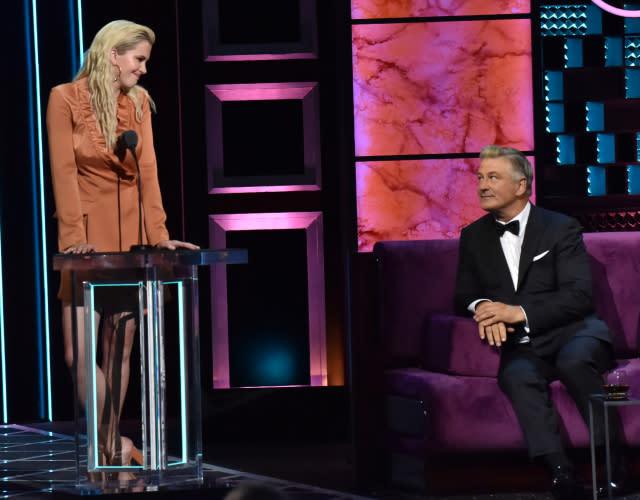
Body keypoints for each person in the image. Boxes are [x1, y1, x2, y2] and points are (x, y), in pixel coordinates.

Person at [46, 20, 198, 474]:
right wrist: (73, 239)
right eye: (139, 59)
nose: (144, 69)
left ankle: (109, 450)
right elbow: (63, 174)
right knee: (79, 354)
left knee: (119, 351)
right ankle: (113, 441)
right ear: (112, 54)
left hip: (132, 244)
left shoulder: (139, 105)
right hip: (86, 244)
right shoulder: (63, 99)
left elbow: (148, 174)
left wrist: (159, 236)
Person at [454, 145, 625, 499]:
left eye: (493, 177)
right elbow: (464, 293)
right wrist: (485, 307)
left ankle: (614, 463)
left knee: (573, 361)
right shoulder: (473, 236)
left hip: (576, 332)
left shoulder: (561, 228)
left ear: (521, 186)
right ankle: (560, 471)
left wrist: (517, 312)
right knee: (515, 375)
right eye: (481, 178)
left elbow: (579, 296)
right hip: (526, 344)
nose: (483, 185)